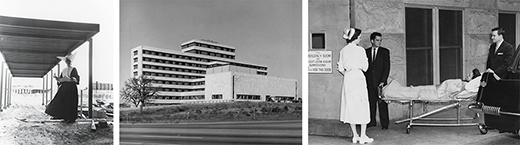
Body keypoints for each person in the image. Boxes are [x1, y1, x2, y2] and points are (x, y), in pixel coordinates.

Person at [337, 28, 373, 144]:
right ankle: (362, 136)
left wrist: (348, 73)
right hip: (358, 78)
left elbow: (341, 68)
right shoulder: (360, 50)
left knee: (351, 105)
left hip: (348, 78)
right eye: (360, 37)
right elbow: (366, 67)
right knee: (362, 105)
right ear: (355, 38)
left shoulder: (343, 51)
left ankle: (355, 136)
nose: (360, 39)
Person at [364, 32, 390, 130]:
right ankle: (372, 121)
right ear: (372, 41)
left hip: (381, 82)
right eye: (377, 40)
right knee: (371, 102)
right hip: (370, 82)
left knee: (382, 103)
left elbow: (386, 68)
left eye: (380, 40)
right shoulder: (366, 52)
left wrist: (383, 81)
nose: (379, 42)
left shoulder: (385, 52)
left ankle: (385, 124)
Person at [45, 53, 80, 123]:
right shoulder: (64, 70)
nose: (68, 63)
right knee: (63, 102)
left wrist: (73, 79)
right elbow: (60, 80)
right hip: (64, 88)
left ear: (71, 62)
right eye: (67, 61)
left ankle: (71, 118)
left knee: (71, 102)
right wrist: (58, 79)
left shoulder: (74, 69)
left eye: (69, 61)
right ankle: (65, 117)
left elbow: (76, 79)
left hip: (71, 88)